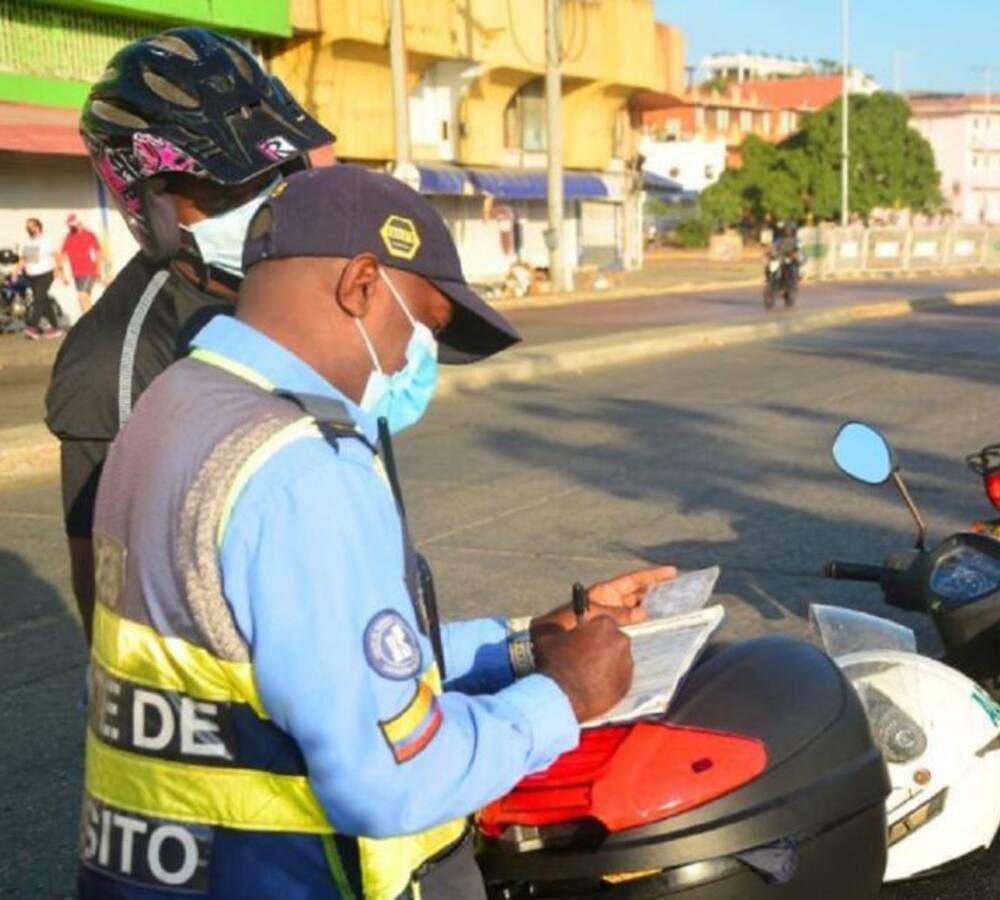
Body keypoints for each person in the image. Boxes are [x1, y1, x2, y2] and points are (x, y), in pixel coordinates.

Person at [78, 163, 676, 898]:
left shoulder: (177, 402)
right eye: (423, 326)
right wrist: (566, 694)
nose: (411, 359)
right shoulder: (303, 468)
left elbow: (307, 657)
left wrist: (526, 642)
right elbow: (390, 777)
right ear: (360, 286)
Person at [44, 27, 334, 641]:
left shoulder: (300, 284)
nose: (260, 202)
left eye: (272, 175)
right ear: (150, 204)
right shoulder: (113, 364)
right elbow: (111, 598)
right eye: (221, 189)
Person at [18, 217, 61, 339]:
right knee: (43, 300)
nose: (28, 228)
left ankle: (33, 327)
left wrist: (58, 270)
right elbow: (23, 259)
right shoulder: (26, 242)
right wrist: (16, 271)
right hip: (31, 275)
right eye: (27, 226)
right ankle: (55, 328)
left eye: (31, 226)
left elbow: (57, 256)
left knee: (38, 299)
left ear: (38, 227)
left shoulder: (47, 240)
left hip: (45, 273)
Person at [57, 213, 105, 314]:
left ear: (79, 224)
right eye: (69, 226)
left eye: (73, 226)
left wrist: (98, 271)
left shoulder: (89, 235)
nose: (71, 228)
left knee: (82, 295)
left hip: (89, 270)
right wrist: (62, 275)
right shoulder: (68, 237)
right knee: (85, 297)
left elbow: (99, 253)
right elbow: (62, 255)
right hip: (76, 273)